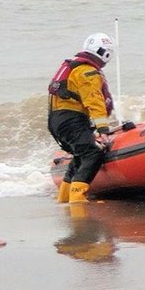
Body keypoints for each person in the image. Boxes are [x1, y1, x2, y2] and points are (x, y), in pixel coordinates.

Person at [47, 33, 116, 204]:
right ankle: (78, 197)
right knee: (92, 153)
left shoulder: (75, 67)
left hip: (59, 119)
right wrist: (103, 130)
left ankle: (64, 196)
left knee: (80, 155)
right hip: (71, 119)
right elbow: (95, 101)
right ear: (105, 53)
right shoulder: (87, 71)